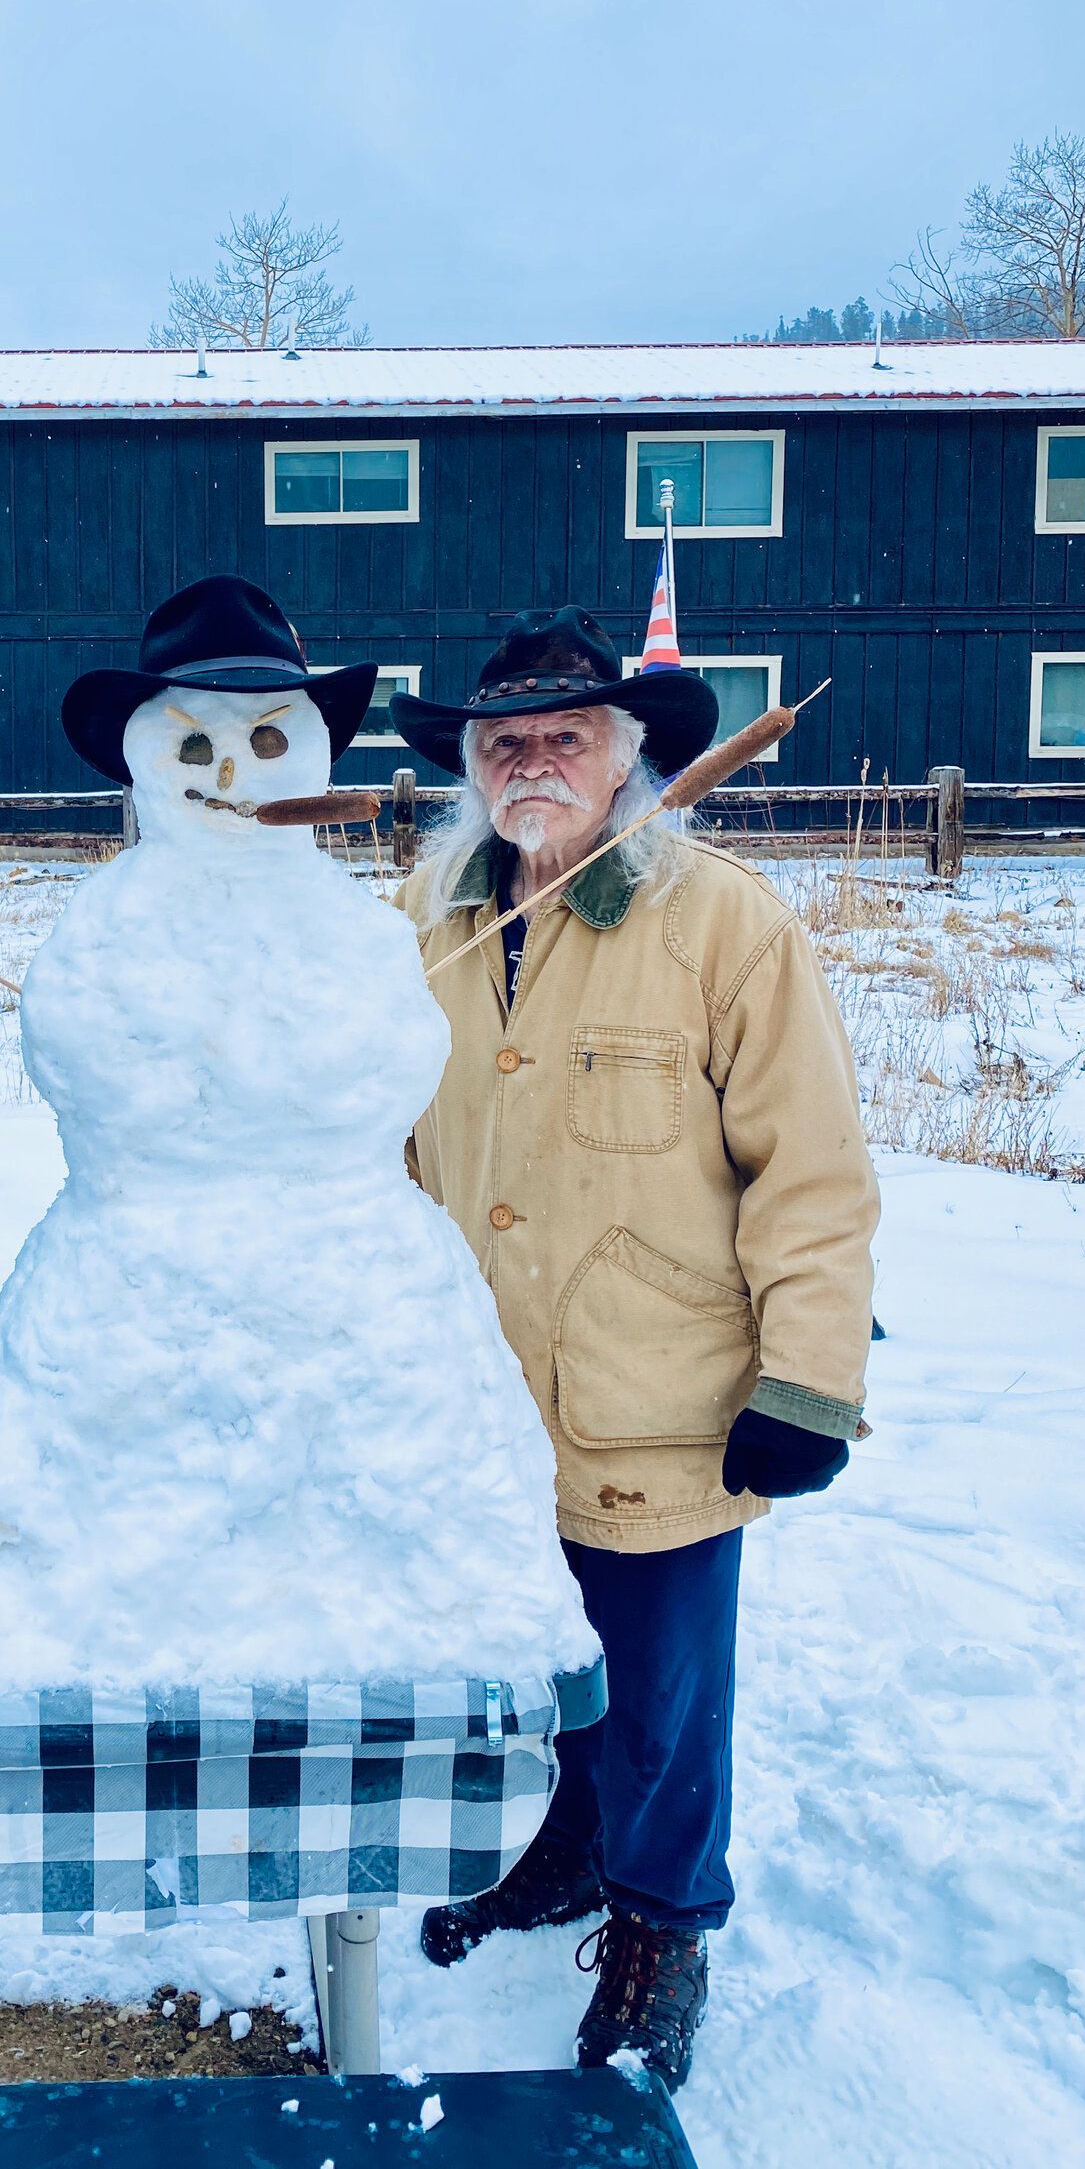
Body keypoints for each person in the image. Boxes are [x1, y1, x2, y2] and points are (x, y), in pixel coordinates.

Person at [388, 608, 879, 2090]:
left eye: (566, 737)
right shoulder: (422, 924)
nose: (531, 762)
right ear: (470, 764)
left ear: (627, 759)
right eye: (505, 742)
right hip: (478, 1394)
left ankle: (665, 1924)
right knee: (533, 1665)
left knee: (661, 1694)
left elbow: (813, 1172)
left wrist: (809, 1382)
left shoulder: (724, 924)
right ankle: (562, 1854)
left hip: (661, 1391)